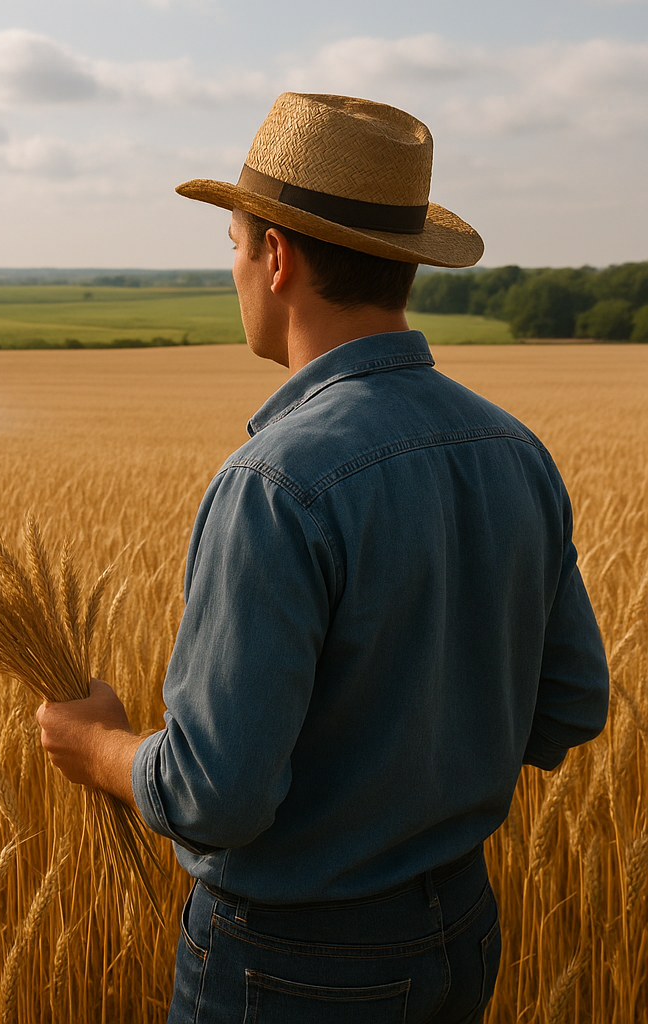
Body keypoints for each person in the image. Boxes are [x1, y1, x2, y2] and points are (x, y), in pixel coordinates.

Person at [36, 93, 609, 1023]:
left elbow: (216, 796)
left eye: (232, 243)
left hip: (295, 968)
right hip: (462, 927)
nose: (234, 270)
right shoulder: (514, 449)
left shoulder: (274, 481)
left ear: (276, 255)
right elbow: (573, 703)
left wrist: (96, 744)